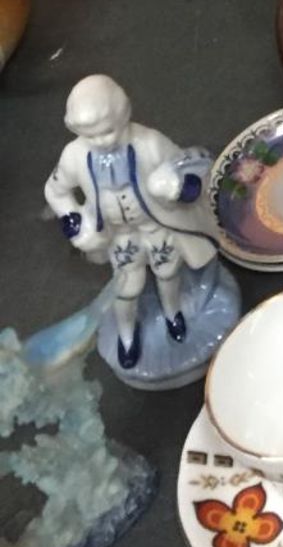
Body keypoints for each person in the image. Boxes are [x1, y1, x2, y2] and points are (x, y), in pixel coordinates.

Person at [44, 75, 219, 371]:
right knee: (126, 287)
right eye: (91, 135)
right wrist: (74, 221)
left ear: (124, 114)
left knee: (168, 272)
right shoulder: (74, 156)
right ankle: (127, 333)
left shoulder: (148, 143)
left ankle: (172, 312)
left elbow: (190, 167)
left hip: (156, 226)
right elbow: (55, 190)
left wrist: (175, 185)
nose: (101, 141)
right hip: (119, 235)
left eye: (108, 131)